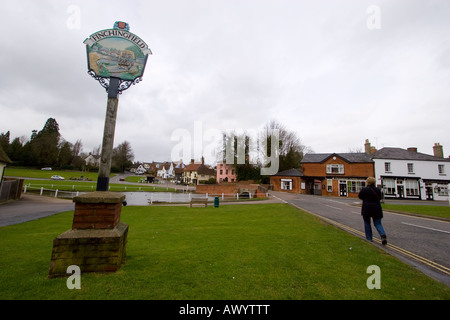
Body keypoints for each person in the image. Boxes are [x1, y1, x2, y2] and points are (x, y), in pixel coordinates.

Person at [358, 177, 387, 245]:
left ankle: (369, 238)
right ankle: (382, 234)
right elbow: (380, 198)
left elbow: (360, 196)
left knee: (367, 222)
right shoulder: (378, 190)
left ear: (367, 182)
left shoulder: (364, 190)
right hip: (377, 208)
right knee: (378, 223)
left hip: (367, 208)